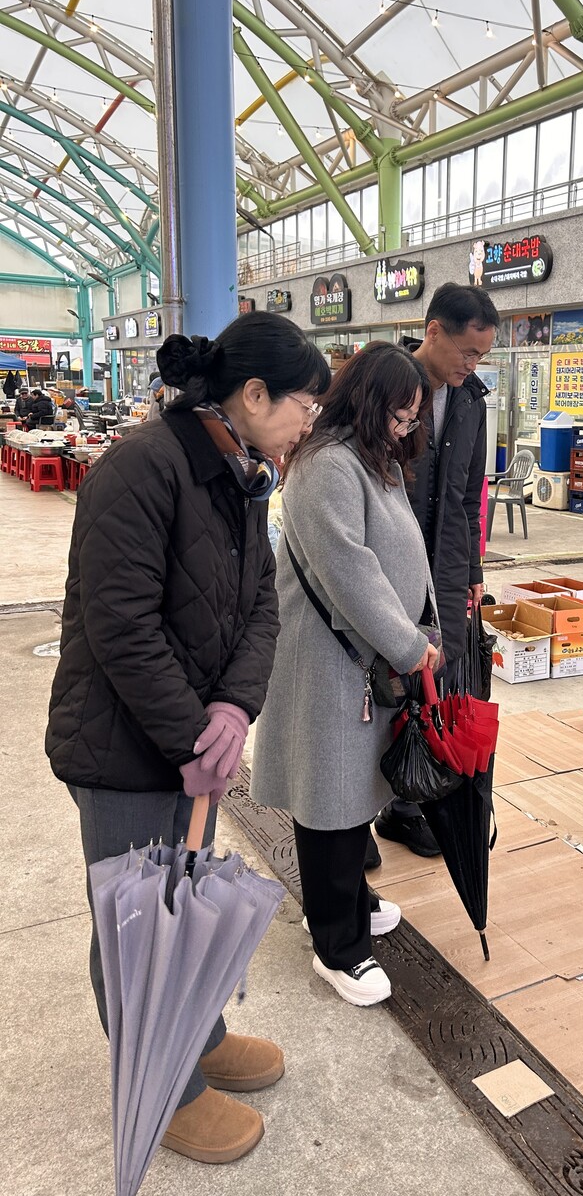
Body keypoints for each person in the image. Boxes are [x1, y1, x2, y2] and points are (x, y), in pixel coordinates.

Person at [46, 311, 330, 1166]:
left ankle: (197, 1037)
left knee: (183, 898)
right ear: (255, 394)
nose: (310, 422)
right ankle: (162, 1088)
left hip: (189, 741)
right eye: (306, 405)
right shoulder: (141, 468)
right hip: (122, 748)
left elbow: (260, 607)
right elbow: (122, 627)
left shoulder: (243, 473)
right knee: (135, 924)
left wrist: (235, 710)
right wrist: (189, 737)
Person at [250, 342, 439, 1007]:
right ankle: (337, 946)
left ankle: (348, 899)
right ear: (368, 400)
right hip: (331, 662)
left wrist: (423, 630)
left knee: (353, 791)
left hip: (364, 660)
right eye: (399, 415)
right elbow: (350, 572)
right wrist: (409, 643)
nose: (405, 429)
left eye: (412, 419)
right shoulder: (328, 465)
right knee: (329, 798)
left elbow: (403, 554)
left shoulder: (369, 458)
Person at [372, 282, 499, 861]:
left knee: (433, 678)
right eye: (467, 352)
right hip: (386, 561)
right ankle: (355, 813)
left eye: (482, 356)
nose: (472, 365)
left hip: (444, 564)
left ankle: (405, 806)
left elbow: (471, 493)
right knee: (377, 680)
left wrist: (472, 567)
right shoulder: (388, 386)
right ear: (433, 331)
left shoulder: (472, 400)